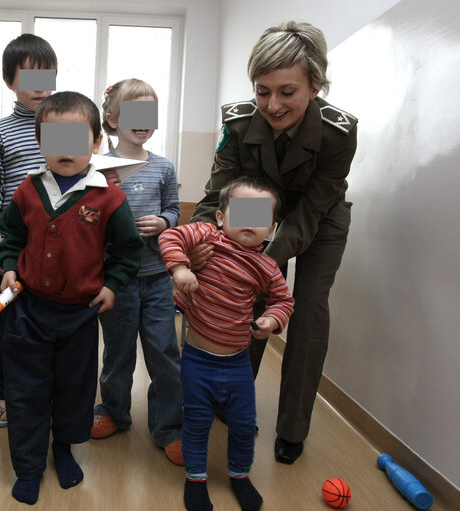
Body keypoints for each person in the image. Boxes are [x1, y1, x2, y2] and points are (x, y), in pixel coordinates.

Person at [190, 21, 357, 464]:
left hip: (320, 217)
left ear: (316, 85)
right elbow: (218, 192)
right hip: (255, 206)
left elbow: (313, 208)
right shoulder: (239, 121)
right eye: (262, 91)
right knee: (254, 297)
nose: (272, 104)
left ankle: (292, 427)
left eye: (287, 91)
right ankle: (233, 398)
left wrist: (269, 255)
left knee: (307, 309)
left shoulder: (340, 132)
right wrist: (204, 242)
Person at [0, 91, 143, 504]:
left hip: (79, 315)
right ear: (41, 142)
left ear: (96, 143)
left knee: (73, 389)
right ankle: (28, 464)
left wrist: (112, 285)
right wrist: (9, 265)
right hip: (28, 310)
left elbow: (128, 250)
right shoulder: (27, 190)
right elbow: (12, 235)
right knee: (27, 389)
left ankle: (63, 447)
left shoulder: (109, 197)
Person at [160, 176, 294, 511]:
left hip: (237, 363)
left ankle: (239, 475)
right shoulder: (207, 236)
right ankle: (196, 479)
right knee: (197, 423)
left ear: (272, 228)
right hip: (197, 361)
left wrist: (272, 320)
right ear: (220, 217)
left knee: (244, 424)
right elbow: (170, 235)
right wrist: (179, 268)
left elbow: (283, 301)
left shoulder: (266, 266)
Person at [90, 78, 184, 465]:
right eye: (133, 114)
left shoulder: (163, 167)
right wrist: (105, 190)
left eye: (150, 114)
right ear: (111, 119)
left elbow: (176, 210)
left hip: (159, 277)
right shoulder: (97, 167)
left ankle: (170, 426)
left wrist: (164, 222)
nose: (142, 122)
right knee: (117, 352)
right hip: (117, 279)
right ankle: (113, 410)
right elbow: (89, 218)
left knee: (164, 352)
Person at [0, 33, 57, 429]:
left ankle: (48, 394)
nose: (40, 86)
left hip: (58, 250)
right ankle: (7, 395)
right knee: (9, 323)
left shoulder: (63, 126)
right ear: (10, 82)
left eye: (48, 76)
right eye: (29, 77)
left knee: (53, 323)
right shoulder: (0, 132)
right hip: (16, 249)